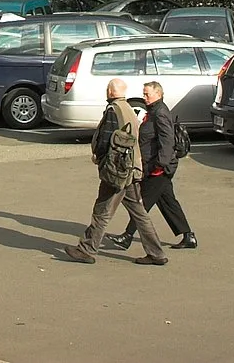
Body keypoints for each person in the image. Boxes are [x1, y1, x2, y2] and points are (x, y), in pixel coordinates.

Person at [59, 79, 167, 266]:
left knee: (102, 210)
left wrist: (98, 157)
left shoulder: (113, 111)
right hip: (131, 169)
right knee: (139, 213)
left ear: (110, 91)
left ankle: (87, 249)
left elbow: (105, 140)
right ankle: (156, 253)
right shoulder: (128, 109)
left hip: (117, 171)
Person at [104, 80, 196, 251]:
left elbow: (167, 141)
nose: (144, 97)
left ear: (158, 94)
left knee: (141, 204)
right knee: (168, 202)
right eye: (144, 93)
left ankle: (127, 236)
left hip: (159, 169)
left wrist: (160, 165)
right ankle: (188, 235)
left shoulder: (160, 113)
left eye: (147, 94)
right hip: (156, 167)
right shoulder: (153, 111)